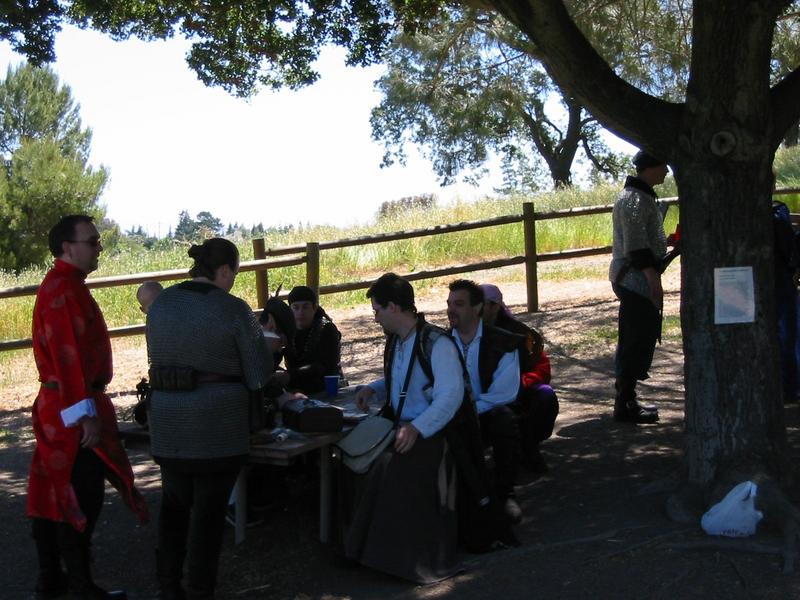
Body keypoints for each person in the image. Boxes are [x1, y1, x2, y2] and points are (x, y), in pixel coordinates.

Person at [27, 214, 149, 600]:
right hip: (70, 408)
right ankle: (78, 587)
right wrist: (84, 415)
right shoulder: (63, 290)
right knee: (79, 495)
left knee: (54, 493)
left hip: (63, 404)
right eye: (92, 241)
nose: (99, 248)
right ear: (68, 247)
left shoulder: (67, 285)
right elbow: (67, 358)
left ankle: (53, 582)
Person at [146, 238, 272, 599]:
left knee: (174, 507)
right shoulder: (233, 309)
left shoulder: (161, 304)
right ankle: (200, 590)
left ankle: (168, 587)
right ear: (224, 270)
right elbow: (258, 375)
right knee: (208, 514)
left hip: (168, 422)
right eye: (235, 272)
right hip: (216, 425)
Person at [348, 273, 464, 583]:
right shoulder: (397, 341)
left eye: (377, 310)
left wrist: (416, 429)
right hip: (402, 428)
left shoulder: (438, 344)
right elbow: (404, 379)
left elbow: (450, 396)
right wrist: (374, 388)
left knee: (391, 468)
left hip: (435, 435)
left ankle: (406, 561)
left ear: (393, 307)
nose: (375, 317)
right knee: (357, 463)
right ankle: (364, 552)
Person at [446, 280, 523, 523]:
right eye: (449, 304)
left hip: (485, 412)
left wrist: (468, 410)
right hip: (449, 413)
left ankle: (505, 493)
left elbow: (504, 393)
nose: (451, 310)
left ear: (478, 307)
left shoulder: (503, 342)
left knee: (504, 420)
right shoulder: (439, 343)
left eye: (459, 304)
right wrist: (374, 388)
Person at [609, 150, 670, 424]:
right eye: (663, 165)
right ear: (650, 167)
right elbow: (636, 246)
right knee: (636, 339)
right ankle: (625, 403)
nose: (666, 171)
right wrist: (652, 279)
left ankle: (626, 398)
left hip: (637, 278)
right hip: (635, 279)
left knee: (637, 337)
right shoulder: (634, 199)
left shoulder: (639, 197)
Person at [479, 283, 559, 475]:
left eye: (481, 304)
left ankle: (528, 447)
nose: (476, 309)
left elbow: (541, 367)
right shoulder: (464, 333)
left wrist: (518, 384)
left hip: (517, 391)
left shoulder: (519, 333)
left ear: (494, 306)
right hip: (480, 395)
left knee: (545, 395)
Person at [285, 285, 344, 394]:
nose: (301, 312)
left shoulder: (326, 329)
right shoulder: (286, 330)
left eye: (305, 307)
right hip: (295, 388)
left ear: (314, 308)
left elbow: (324, 367)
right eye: (296, 308)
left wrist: (291, 374)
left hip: (325, 387)